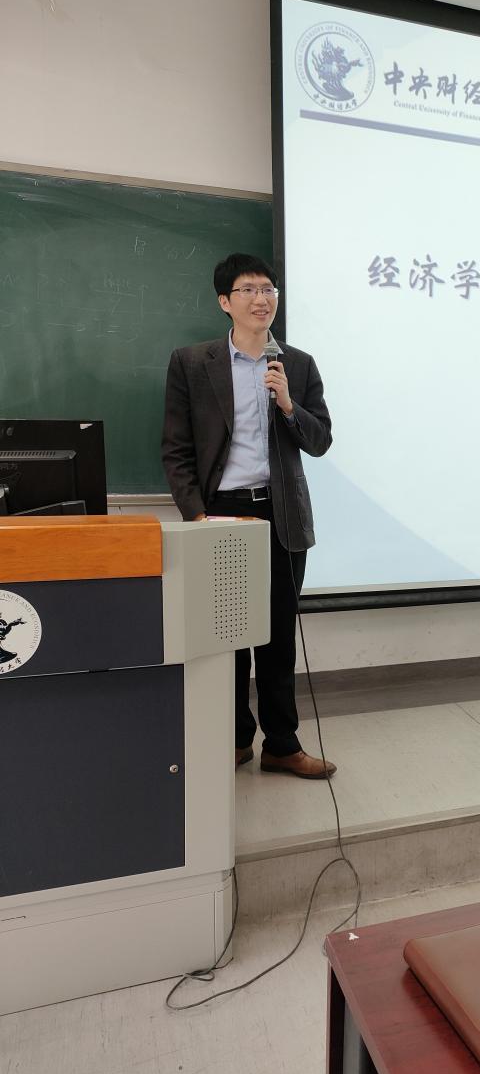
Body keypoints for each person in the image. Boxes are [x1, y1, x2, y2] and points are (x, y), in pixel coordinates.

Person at [161, 252, 336, 778]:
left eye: (268, 290)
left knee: (278, 639)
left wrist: (288, 405)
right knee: (228, 639)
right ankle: (234, 738)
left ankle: (282, 744)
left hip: (281, 516)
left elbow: (321, 441)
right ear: (225, 301)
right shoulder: (193, 363)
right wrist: (197, 517)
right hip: (220, 516)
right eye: (249, 290)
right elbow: (176, 449)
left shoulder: (297, 365)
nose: (262, 299)